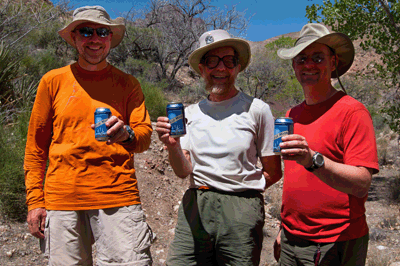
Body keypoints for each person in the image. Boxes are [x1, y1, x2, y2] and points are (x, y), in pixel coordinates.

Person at [24, 6, 154, 266]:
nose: (94, 39)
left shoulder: (128, 84)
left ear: (110, 38)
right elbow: (35, 147)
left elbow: (144, 137)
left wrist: (125, 135)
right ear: (74, 37)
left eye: (102, 32)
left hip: (117, 197)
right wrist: (35, 201)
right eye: (85, 31)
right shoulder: (52, 81)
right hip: (62, 199)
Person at [155, 29, 282, 265]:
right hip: (196, 205)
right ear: (202, 69)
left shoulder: (257, 109)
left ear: (237, 66)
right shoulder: (190, 114)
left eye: (228, 61)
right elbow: (183, 171)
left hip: (241, 209)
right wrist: (172, 146)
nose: (220, 68)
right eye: (212, 61)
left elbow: (274, 171)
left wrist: (246, 192)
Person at [273, 23, 379, 265]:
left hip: (336, 241)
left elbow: (362, 183)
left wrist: (313, 160)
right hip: (291, 240)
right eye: (301, 59)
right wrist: (283, 228)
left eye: (317, 58)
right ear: (294, 66)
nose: (308, 64)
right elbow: (294, 183)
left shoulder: (352, 112)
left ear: (333, 63)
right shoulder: (292, 114)